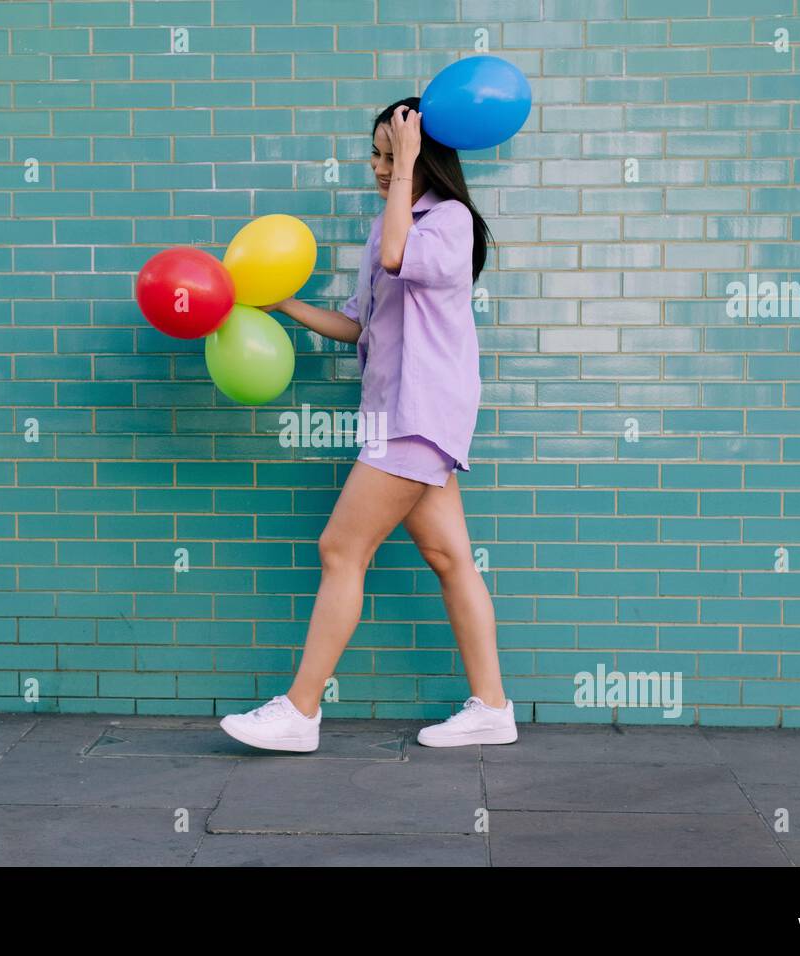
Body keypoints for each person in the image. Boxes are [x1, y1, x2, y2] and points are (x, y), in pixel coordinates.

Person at [220, 97, 515, 753]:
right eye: (377, 154)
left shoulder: (448, 222)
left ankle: (299, 711)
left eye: (393, 153)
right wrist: (286, 304)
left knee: (339, 550)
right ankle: (493, 706)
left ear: (424, 155)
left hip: (419, 414)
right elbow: (359, 324)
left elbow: (395, 259)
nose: (381, 167)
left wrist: (409, 165)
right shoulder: (391, 227)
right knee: (450, 559)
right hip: (395, 417)